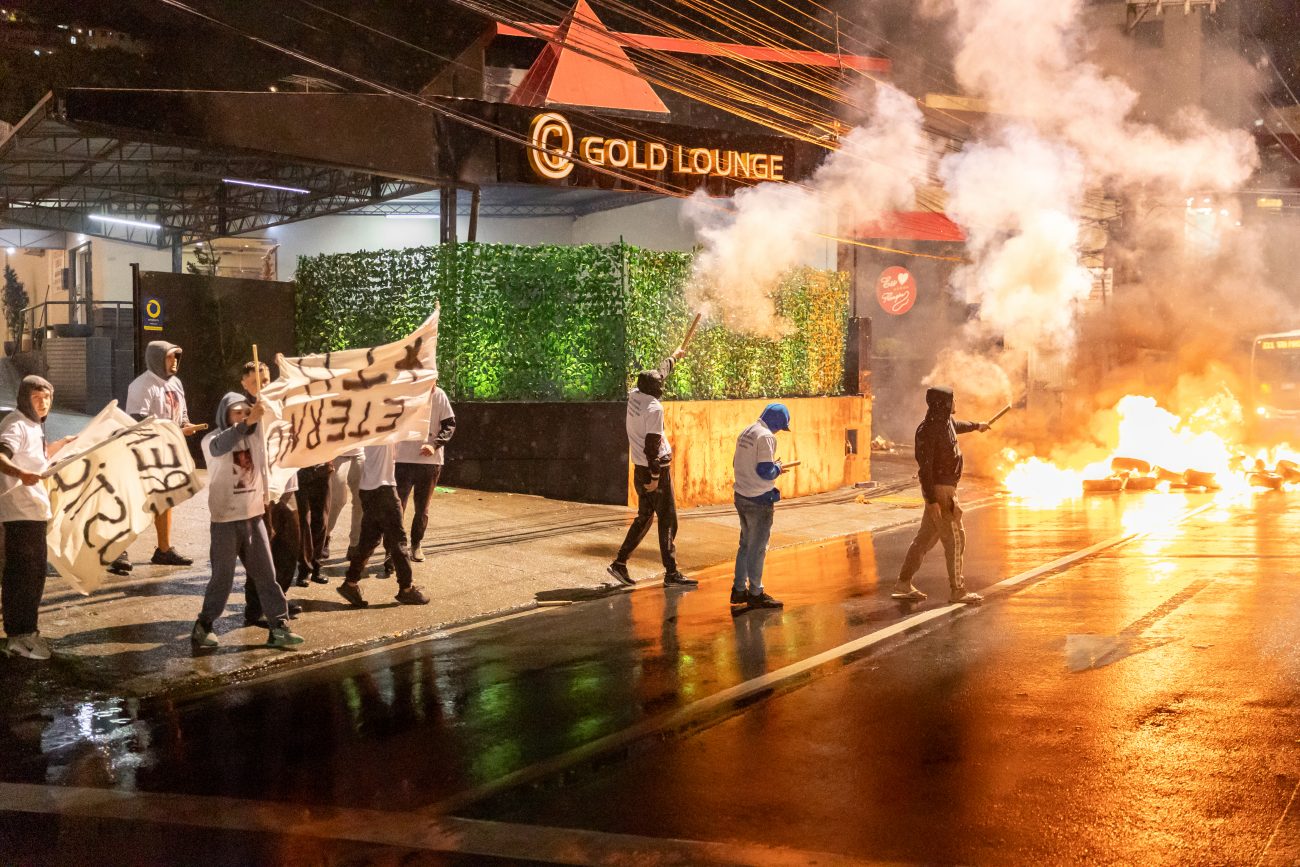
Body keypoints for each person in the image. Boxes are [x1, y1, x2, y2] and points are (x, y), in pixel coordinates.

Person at [191, 393, 304, 652]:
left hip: (253, 518)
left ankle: (279, 626)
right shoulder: (212, 439)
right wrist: (246, 423)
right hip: (225, 521)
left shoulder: (256, 437)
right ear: (225, 415)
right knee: (223, 578)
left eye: (245, 412)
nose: (242, 416)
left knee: (267, 575)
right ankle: (204, 625)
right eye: (236, 412)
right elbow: (220, 447)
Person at [607, 349, 698, 588]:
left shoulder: (635, 394)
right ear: (652, 390)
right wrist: (657, 477)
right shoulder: (654, 408)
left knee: (644, 518)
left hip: (639, 468)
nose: (662, 389)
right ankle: (671, 573)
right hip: (654, 471)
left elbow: (660, 372)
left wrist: (675, 358)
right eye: (659, 387)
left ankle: (620, 563)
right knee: (668, 520)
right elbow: (652, 447)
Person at [892, 386, 989, 605]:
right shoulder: (929, 430)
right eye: (952, 400)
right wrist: (931, 500)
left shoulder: (946, 423)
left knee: (924, 539)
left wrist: (977, 426)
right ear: (944, 404)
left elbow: (959, 425)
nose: (955, 403)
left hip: (945, 491)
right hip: (942, 493)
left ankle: (903, 583)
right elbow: (924, 469)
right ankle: (958, 591)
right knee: (956, 540)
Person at [0, 376, 72, 659]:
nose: (43, 404)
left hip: (33, 512)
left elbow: (38, 458)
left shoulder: (33, 426)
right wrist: (21, 475)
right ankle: (19, 636)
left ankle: (27, 632)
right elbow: (1, 456)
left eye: (47, 398)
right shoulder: (16, 425)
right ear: (24, 399)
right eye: (37, 398)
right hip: (18, 513)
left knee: (34, 577)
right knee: (22, 577)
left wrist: (64, 444)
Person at [121, 340, 204, 571]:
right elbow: (139, 423)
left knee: (165, 500)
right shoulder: (141, 386)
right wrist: (177, 430)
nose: (175, 361)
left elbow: (182, 412)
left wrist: (186, 424)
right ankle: (118, 550)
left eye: (176, 356)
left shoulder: (176, 383)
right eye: (170, 357)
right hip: (145, 452)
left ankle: (164, 550)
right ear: (157, 359)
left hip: (167, 450)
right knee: (136, 502)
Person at [236, 361, 302, 627]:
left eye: (265, 380)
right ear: (244, 384)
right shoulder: (241, 409)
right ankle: (255, 608)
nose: (262, 386)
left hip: (287, 488)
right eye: (255, 382)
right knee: (261, 553)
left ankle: (279, 598)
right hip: (259, 493)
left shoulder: (282, 404)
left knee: (290, 548)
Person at [336, 441, 430, 609]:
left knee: (369, 540)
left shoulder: (375, 430)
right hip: (383, 488)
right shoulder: (386, 429)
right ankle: (406, 589)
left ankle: (350, 583)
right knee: (398, 541)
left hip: (368, 488)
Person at [730, 403, 792, 609]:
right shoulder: (766, 437)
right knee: (758, 548)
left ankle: (739, 589)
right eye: (780, 427)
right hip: (759, 499)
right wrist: (778, 468)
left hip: (741, 495)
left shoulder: (747, 431)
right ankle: (756, 592)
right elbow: (765, 470)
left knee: (746, 544)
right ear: (776, 423)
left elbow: (736, 461)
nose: (778, 432)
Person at [391, 381, 455, 563]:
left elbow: (449, 425)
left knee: (422, 508)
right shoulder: (402, 393)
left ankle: (416, 544)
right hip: (402, 458)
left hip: (429, 461)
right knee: (397, 507)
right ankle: (395, 548)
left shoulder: (439, 395)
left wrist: (434, 445)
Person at [327, 447, 365, 560]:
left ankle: (355, 544)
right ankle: (326, 536)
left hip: (360, 453)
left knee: (360, 501)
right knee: (337, 500)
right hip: (337, 453)